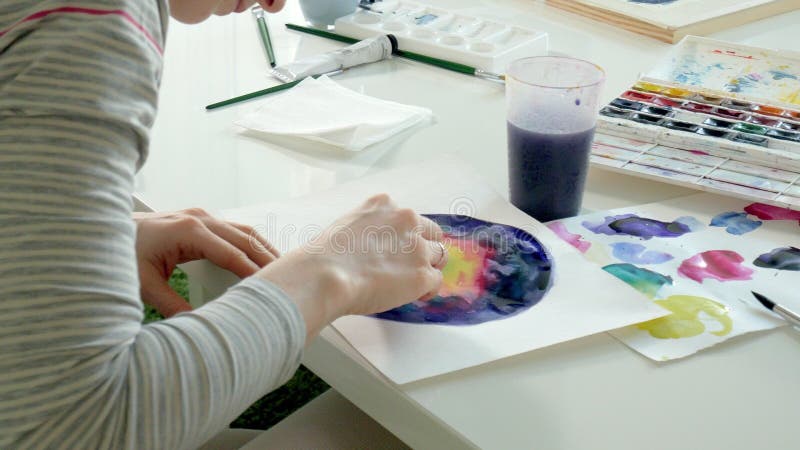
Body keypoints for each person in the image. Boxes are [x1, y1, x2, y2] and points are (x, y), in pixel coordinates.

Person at [0, 0, 448, 448]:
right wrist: (331, 275)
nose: (276, 4)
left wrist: (74, 232)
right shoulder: (93, 24)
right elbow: (79, 426)